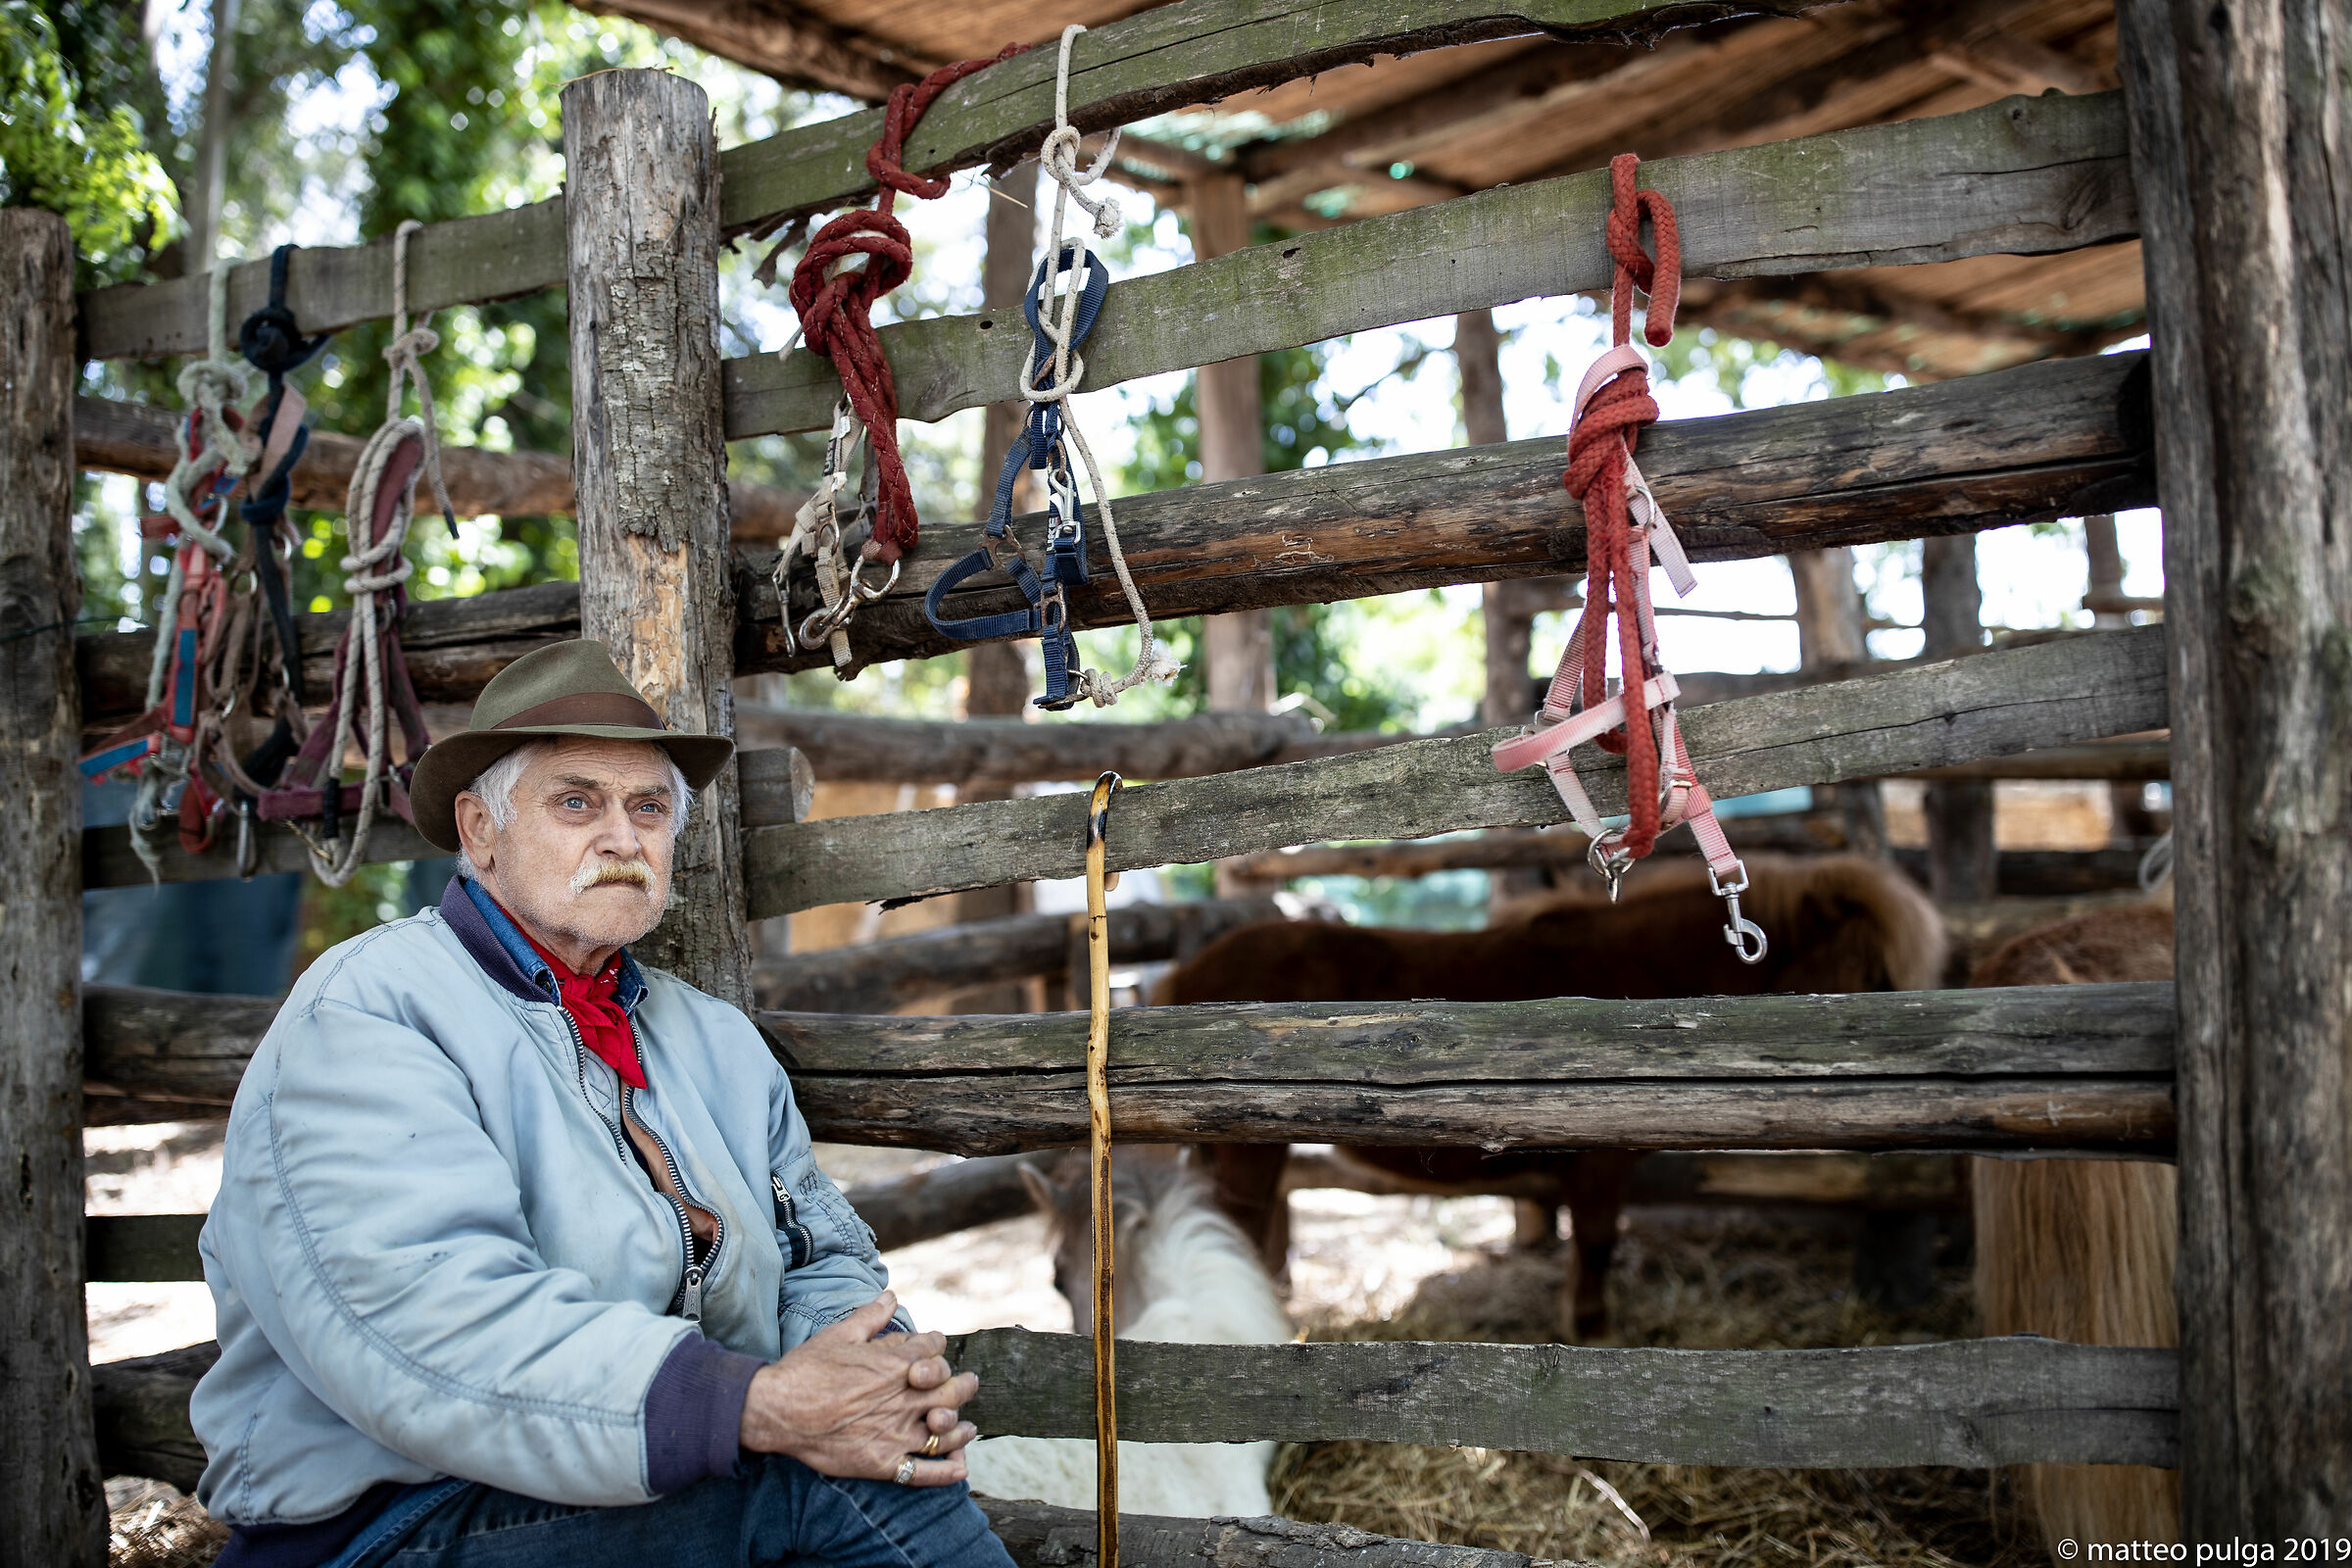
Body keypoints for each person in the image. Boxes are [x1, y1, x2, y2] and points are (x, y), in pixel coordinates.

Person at [193, 640, 1013, 1568]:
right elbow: (429, 1324)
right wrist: (758, 1408)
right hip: (396, 1521)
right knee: (833, 1491)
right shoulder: (370, 1013)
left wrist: (869, 1374)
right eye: (576, 801)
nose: (623, 838)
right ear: (479, 830)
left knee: (875, 1463)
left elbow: (818, 1255)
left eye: (649, 807)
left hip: (658, 1491)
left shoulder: (714, 1042)